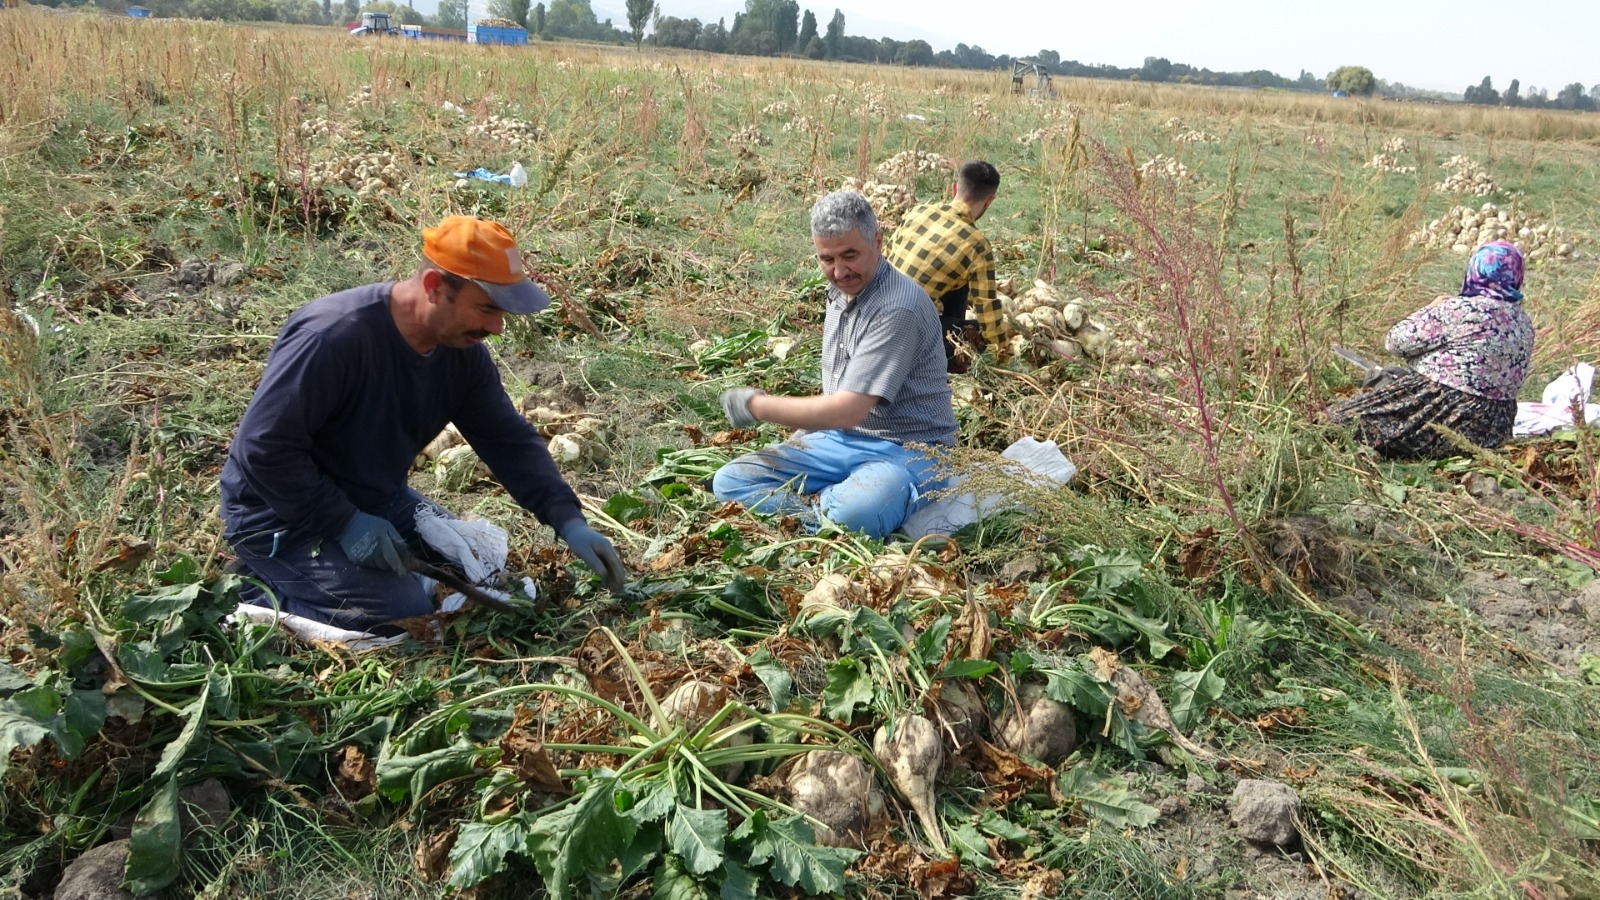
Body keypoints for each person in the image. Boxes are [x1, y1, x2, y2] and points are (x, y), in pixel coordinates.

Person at [220, 216, 627, 632]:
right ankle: (254, 589)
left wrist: (568, 519)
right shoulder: (333, 338)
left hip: (378, 498)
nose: (496, 328)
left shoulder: (460, 355)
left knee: (480, 568)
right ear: (434, 286)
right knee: (405, 614)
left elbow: (507, 439)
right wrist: (342, 522)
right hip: (279, 514)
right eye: (487, 308)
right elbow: (263, 448)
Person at [712, 191, 957, 540]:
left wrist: (756, 405)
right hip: (841, 440)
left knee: (858, 512)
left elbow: (847, 411)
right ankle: (824, 515)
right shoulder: (843, 291)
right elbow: (840, 406)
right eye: (826, 259)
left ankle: (834, 512)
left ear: (877, 241)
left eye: (850, 255)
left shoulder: (897, 308)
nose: (839, 271)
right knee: (732, 480)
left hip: (910, 449)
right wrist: (802, 440)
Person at [1330, 240, 1534, 459]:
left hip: (1444, 408)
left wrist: (1432, 307)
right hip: (1493, 429)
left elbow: (1395, 342)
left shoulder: (1461, 309)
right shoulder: (1524, 322)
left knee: (1338, 420)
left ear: (1475, 271)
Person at [884, 160, 1004, 374]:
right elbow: (987, 312)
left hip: (872, 312)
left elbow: (884, 256)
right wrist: (1003, 353)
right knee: (975, 333)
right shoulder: (977, 245)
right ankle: (942, 361)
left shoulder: (918, 211)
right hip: (899, 335)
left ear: (955, 188)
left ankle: (942, 352)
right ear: (989, 201)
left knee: (959, 282)